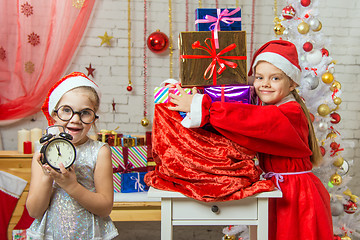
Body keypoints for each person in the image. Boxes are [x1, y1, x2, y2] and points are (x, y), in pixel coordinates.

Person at [169, 40, 333, 240]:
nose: (265, 83)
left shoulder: (291, 112)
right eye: (259, 77)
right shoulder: (271, 107)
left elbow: (251, 120)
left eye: (275, 78)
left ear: (292, 84)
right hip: (275, 188)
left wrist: (202, 107)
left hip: (296, 193)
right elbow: (242, 126)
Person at [26, 72, 118, 239]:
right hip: (51, 233)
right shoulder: (42, 151)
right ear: (54, 115)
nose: (75, 119)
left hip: (90, 233)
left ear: (94, 118)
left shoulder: (99, 151)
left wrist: (71, 185)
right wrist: (48, 175)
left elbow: (105, 208)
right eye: (66, 110)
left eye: (85, 113)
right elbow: (34, 211)